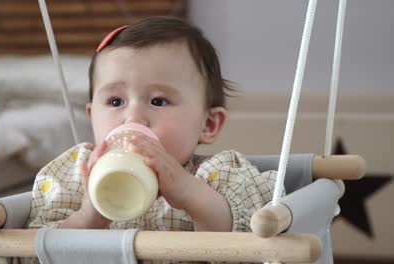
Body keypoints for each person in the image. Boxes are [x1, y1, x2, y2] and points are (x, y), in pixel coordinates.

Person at [24, 16, 278, 263]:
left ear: (208, 124)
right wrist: (88, 218)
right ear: (92, 117)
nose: (133, 117)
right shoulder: (73, 175)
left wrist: (189, 193)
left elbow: (247, 243)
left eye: (158, 101)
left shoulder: (219, 175)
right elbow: (35, 253)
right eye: (115, 102)